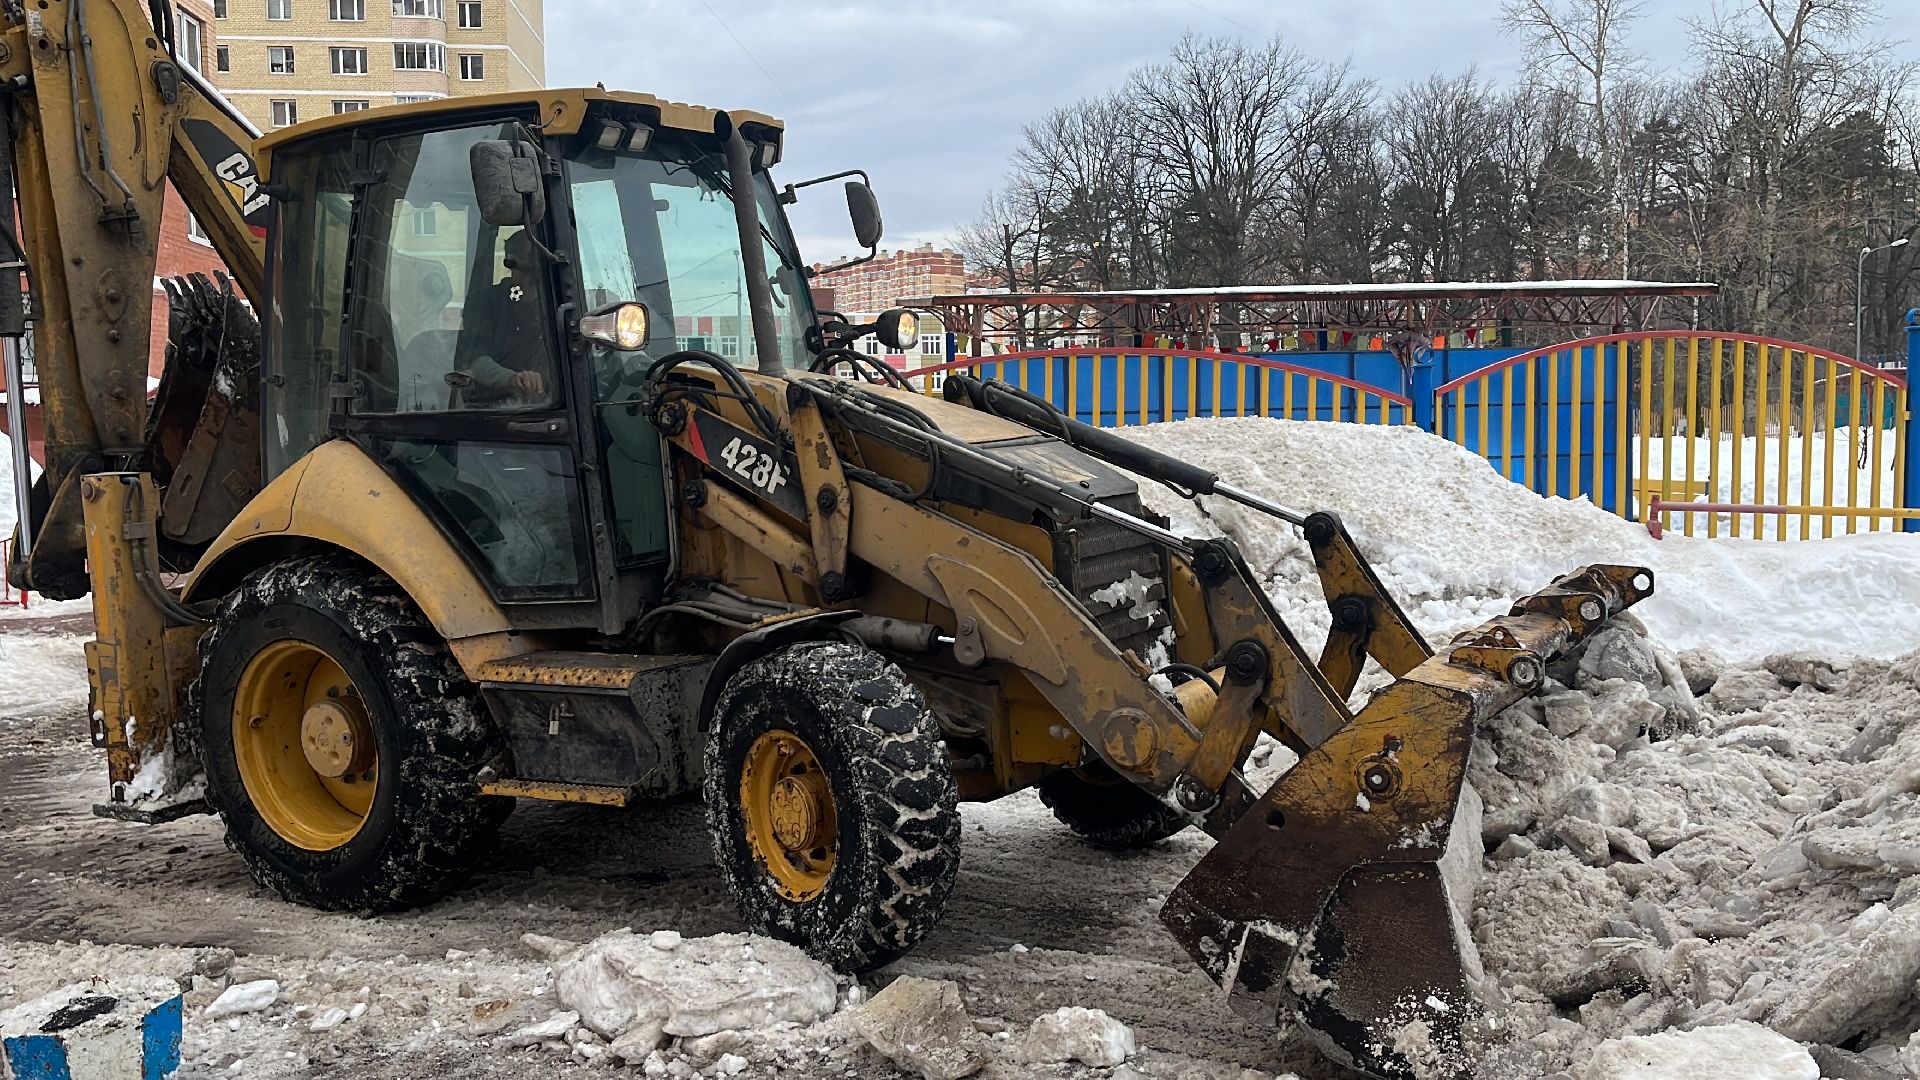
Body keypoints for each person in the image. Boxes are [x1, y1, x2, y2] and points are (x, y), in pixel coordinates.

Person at [459, 228, 551, 406]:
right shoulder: (489, 301)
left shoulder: (557, 305)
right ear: (510, 261)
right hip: (495, 406)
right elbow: (474, 361)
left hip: (555, 403)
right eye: (527, 256)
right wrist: (513, 379)